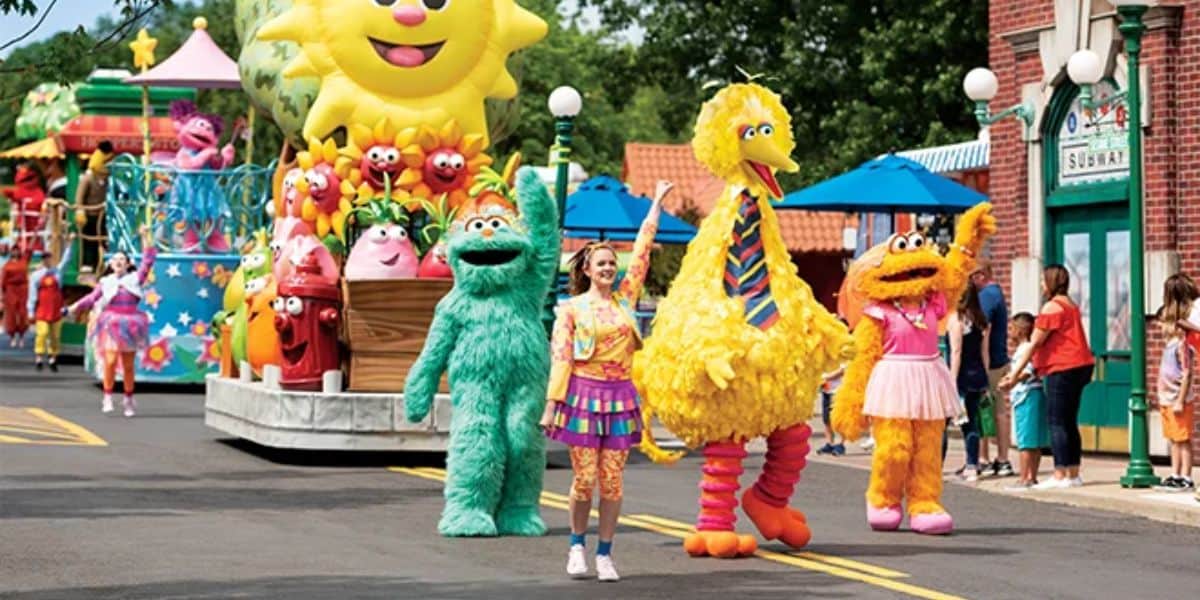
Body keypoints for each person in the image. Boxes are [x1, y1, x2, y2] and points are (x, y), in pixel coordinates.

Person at [540, 180, 671, 582]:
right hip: (582, 394)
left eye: (612, 264)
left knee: (612, 481)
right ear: (586, 269)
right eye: (602, 264)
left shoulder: (626, 301)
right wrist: (551, 405)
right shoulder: (572, 310)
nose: (609, 269)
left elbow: (643, 254)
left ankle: (606, 554)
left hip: (619, 398)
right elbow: (561, 357)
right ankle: (576, 547)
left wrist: (656, 205)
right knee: (584, 479)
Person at [1000, 265, 1094, 490]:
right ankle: (1073, 473)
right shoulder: (1070, 305)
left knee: (1057, 422)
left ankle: (1060, 473)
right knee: (1069, 421)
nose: (1042, 285)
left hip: (1061, 368)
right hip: (1080, 365)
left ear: (1051, 282)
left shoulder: (1052, 307)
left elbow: (1034, 344)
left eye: (1043, 280)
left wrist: (1013, 376)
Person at [67, 226, 156, 417]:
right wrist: (74, 307)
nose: (118, 262)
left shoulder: (134, 279)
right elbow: (91, 298)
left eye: (122, 260)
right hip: (111, 323)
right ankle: (107, 396)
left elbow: (148, 261)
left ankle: (129, 398)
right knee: (110, 360)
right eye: (115, 260)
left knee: (129, 365)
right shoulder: (106, 282)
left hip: (131, 323)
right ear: (111, 263)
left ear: (128, 263)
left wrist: (145, 237)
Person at [972, 262, 1014, 477]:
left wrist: (982, 364)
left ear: (980, 275)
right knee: (998, 411)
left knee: (986, 411)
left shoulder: (986, 296)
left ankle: (985, 458)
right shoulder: (997, 293)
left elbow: (983, 331)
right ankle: (1002, 458)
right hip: (1000, 360)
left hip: (989, 363)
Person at [1155, 275, 1196, 491]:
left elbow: (1187, 374)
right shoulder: (1169, 345)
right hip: (1167, 399)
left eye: (1164, 322)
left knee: (1182, 439)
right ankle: (1175, 473)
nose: (1161, 327)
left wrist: (1180, 399)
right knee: (1173, 439)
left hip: (1178, 400)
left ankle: (1186, 476)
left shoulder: (1182, 345)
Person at [1001, 313, 1049, 490]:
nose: (1010, 332)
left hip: (1026, 395)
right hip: (1031, 394)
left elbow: (1027, 371)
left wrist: (1011, 381)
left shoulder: (1025, 349)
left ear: (1021, 330)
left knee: (1025, 441)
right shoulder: (1027, 348)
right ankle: (1032, 477)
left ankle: (1024, 478)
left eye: (1012, 328)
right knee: (1034, 440)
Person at [949, 280, 989, 482]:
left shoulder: (957, 320)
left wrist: (951, 380)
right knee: (972, 421)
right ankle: (972, 462)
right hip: (978, 375)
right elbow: (985, 354)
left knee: (953, 422)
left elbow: (956, 352)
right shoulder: (981, 320)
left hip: (962, 377)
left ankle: (970, 465)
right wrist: (987, 379)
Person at [26, 235, 74, 371]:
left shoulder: (57, 272)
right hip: (42, 309)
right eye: (45, 258)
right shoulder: (36, 275)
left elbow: (66, 260)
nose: (47, 260)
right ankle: (39, 357)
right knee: (42, 333)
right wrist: (30, 311)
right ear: (42, 260)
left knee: (55, 336)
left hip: (56, 309)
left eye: (49, 258)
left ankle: (53, 358)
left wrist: (69, 244)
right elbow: (32, 294)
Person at [75, 142, 113, 272]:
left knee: (103, 240)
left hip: (103, 215)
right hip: (89, 215)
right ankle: (88, 263)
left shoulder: (109, 179)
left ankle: (104, 264)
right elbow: (79, 196)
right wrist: (80, 211)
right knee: (89, 241)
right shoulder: (88, 177)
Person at [2, 246, 31, 348]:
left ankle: (22, 336)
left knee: (23, 312)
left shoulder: (24, 261)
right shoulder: (7, 265)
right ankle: (12, 337)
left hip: (23, 289)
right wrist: (2, 296)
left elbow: (29, 250)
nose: (16, 251)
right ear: (11, 252)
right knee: (11, 313)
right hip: (11, 290)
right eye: (14, 250)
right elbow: (3, 281)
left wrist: (35, 235)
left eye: (17, 250)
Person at [817, 365, 846, 456]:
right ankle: (830, 444)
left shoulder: (843, 353)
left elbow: (842, 370)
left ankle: (840, 445)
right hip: (826, 391)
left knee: (838, 421)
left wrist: (824, 378)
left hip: (838, 392)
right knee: (826, 420)